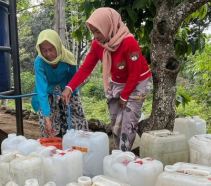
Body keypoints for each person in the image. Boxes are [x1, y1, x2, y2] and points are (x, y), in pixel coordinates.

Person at [62, 8, 151, 151]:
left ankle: (124, 156)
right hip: (117, 82)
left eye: (98, 31)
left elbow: (134, 74)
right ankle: (119, 152)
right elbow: (86, 68)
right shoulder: (99, 45)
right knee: (116, 122)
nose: (96, 36)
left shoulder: (129, 43)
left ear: (108, 26)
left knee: (128, 121)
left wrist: (125, 95)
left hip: (138, 83)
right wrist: (69, 87)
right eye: (93, 32)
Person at [32, 29, 88, 137]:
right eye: (44, 50)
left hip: (68, 89)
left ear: (57, 46)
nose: (48, 54)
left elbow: (75, 78)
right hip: (47, 91)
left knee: (76, 121)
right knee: (49, 125)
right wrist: (47, 119)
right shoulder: (39, 62)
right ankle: (54, 148)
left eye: (51, 49)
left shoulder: (68, 57)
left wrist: (69, 90)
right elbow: (41, 90)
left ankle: (77, 145)